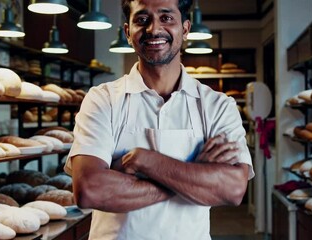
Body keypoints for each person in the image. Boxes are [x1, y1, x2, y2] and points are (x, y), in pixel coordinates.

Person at [64, 0, 255, 239]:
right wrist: (194, 174)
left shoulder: (217, 106)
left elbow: (234, 189)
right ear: (127, 32)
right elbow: (89, 190)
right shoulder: (103, 99)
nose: (154, 29)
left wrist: (145, 161)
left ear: (185, 29)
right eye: (142, 19)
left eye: (166, 18)